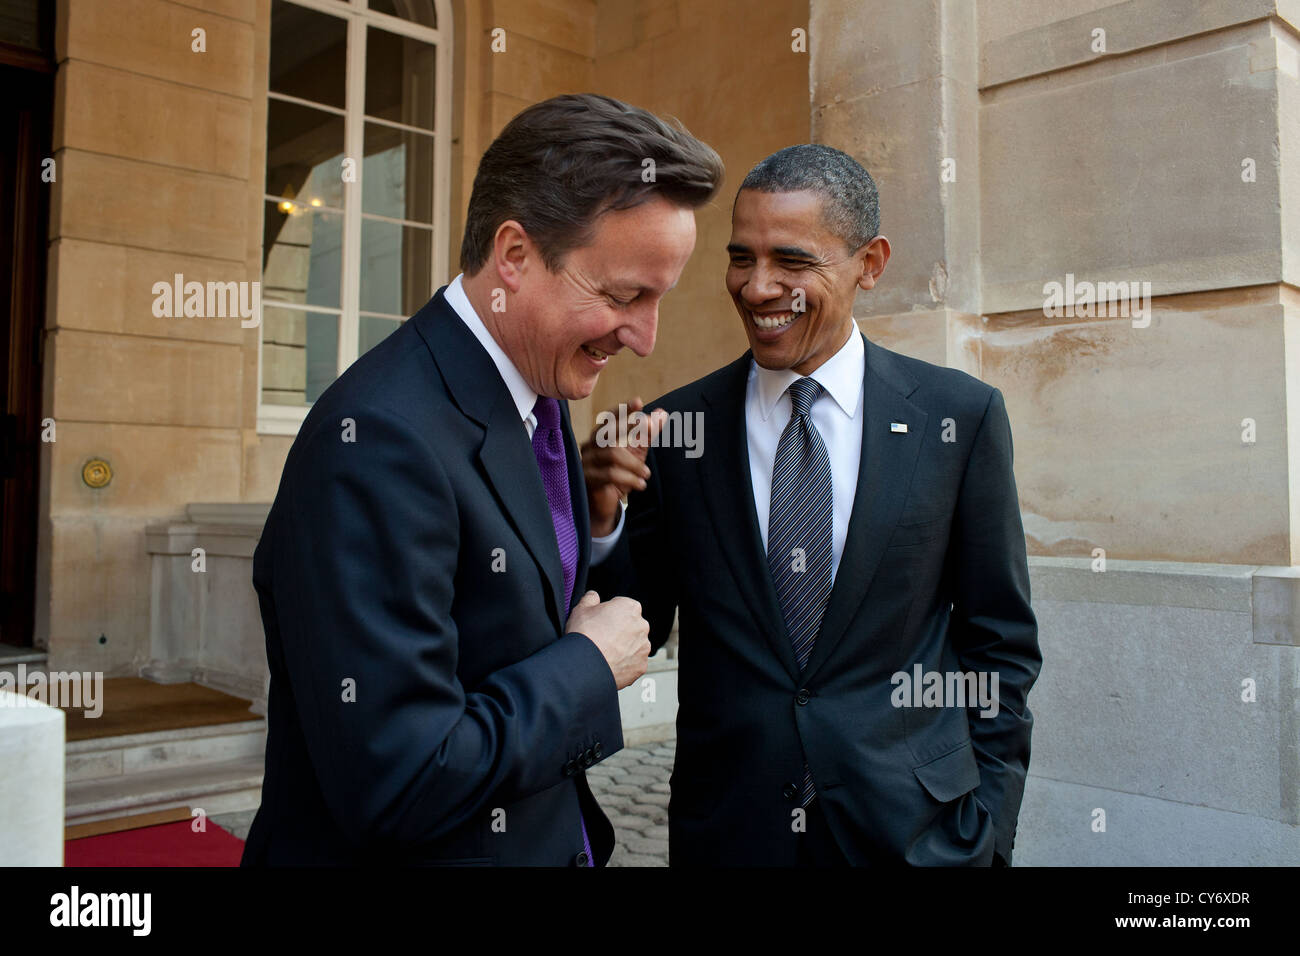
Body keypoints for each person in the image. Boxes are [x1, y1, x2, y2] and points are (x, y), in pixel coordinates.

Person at [242, 93, 724, 866]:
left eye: (660, 298)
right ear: (514, 256)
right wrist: (588, 668)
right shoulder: (376, 442)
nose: (644, 336)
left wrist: (595, 523)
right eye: (624, 295)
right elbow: (400, 778)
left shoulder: (533, 391)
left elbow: (511, 613)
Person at [584, 144, 1041, 866]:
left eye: (792, 263)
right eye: (741, 257)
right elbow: (627, 630)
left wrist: (988, 829)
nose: (758, 287)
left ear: (871, 262)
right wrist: (602, 516)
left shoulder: (958, 419)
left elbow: (1000, 644)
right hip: (732, 833)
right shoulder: (676, 433)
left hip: (918, 835)